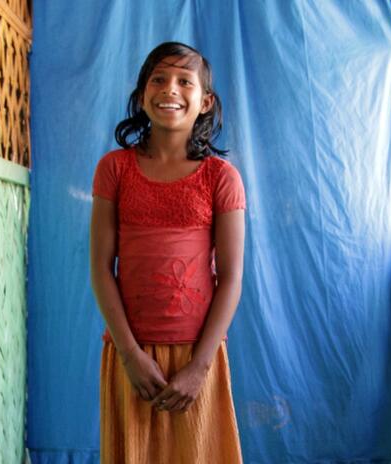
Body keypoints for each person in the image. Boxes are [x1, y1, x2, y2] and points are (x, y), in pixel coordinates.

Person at [90, 41, 246, 463]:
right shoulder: (114, 169)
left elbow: (231, 277)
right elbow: (102, 269)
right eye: (158, 79)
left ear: (205, 101)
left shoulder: (221, 178)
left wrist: (199, 367)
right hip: (130, 354)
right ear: (142, 94)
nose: (169, 89)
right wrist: (129, 354)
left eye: (183, 81)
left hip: (198, 355)